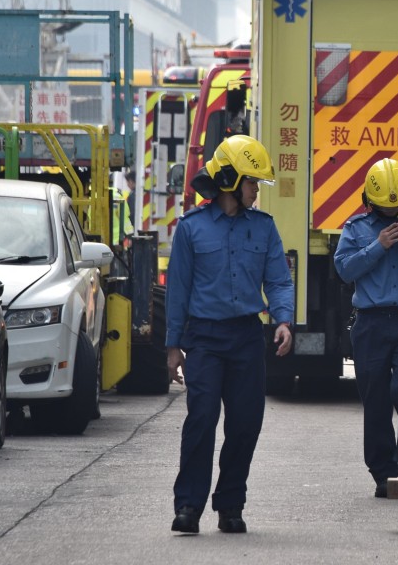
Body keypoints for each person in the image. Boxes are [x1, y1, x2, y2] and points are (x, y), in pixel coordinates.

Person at [165, 135, 294, 535]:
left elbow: (278, 279)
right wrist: (173, 347)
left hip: (245, 338)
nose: (256, 190)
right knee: (201, 419)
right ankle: (188, 505)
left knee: (245, 424)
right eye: (252, 182)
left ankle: (230, 505)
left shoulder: (264, 228)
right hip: (203, 338)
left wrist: (284, 320)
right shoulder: (191, 229)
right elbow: (178, 290)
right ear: (231, 181)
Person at [334, 158, 398, 499]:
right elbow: (346, 271)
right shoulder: (355, 229)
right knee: (375, 399)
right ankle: (382, 472)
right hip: (370, 322)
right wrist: (380, 244)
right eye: (385, 208)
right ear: (370, 200)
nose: (393, 214)